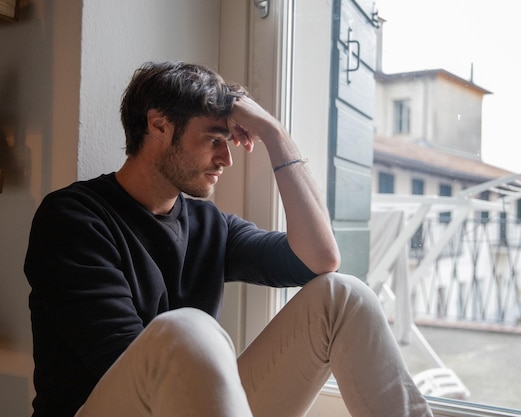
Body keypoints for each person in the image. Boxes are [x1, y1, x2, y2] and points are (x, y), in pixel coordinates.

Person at [24, 61, 433, 417]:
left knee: (342, 296)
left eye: (230, 139)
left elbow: (319, 259)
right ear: (159, 125)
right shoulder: (74, 219)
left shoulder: (208, 224)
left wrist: (274, 134)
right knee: (187, 330)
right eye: (213, 139)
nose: (227, 158)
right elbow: (124, 368)